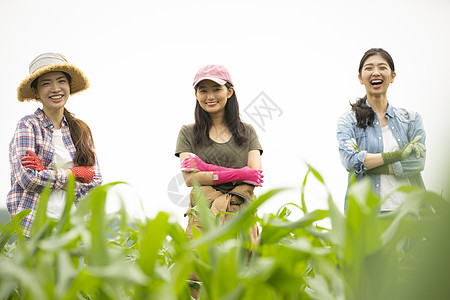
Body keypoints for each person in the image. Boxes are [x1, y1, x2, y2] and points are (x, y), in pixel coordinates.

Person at [7, 53, 102, 237]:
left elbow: (95, 182)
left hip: (76, 231)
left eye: (61, 81)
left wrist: (46, 173)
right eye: (46, 83)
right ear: (36, 91)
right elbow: (28, 179)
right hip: (34, 230)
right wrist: (73, 174)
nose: (55, 89)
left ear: (69, 86)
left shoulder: (81, 130)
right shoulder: (28, 126)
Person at [175, 64, 263, 244]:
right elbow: (191, 179)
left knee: (245, 269)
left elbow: (255, 176)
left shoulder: (247, 131)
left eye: (217, 89)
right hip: (204, 216)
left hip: (241, 214)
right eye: (203, 90)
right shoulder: (187, 133)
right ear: (196, 95)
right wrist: (239, 174)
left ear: (229, 92)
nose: (210, 96)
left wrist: (205, 170)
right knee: (201, 267)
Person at [337, 48, 426, 213]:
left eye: (382, 67)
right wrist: (398, 155)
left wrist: (370, 165)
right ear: (360, 78)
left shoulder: (411, 119)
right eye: (369, 68)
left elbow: (417, 162)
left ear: (392, 76)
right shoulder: (348, 121)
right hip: (368, 215)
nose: (376, 72)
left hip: (409, 213)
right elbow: (350, 161)